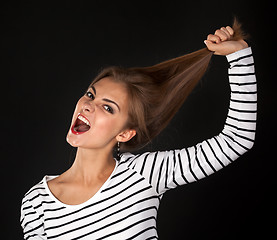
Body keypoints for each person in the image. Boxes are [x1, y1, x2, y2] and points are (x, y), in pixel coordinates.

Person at [20, 21, 256, 239]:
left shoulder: (145, 173)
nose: (88, 105)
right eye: (91, 95)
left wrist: (239, 55)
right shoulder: (36, 202)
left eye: (108, 107)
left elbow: (237, 139)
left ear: (125, 133)